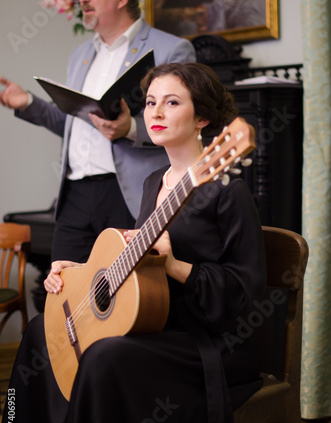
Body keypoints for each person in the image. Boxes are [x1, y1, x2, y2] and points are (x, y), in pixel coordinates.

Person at [0, 62, 266, 423]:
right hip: (155, 326)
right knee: (39, 332)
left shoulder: (224, 189)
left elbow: (247, 293)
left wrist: (177, 266)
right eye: (150, 102)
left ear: (202, 119)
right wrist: (79, 275)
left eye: (172, 102)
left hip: (205, 343)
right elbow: (136, 273)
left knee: (103, 357)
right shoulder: (150, 184)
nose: (155, 111)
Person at [0, 0, 196, 264]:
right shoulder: (80, 53)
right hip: (74, 195)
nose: (81, 1)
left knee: (125, 299)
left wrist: (131, 129)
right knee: (63, 293)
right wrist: (27, 102)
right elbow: (72, 124)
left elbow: (184, 126)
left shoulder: (171, 49)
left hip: (129, 195)